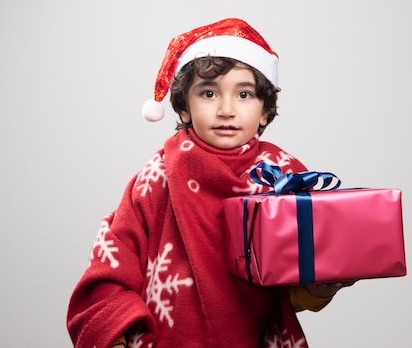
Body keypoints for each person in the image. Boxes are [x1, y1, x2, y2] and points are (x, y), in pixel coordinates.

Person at [67, 18, 354, 348]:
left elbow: (288, 294)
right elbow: (110, 268)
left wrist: (320, 286)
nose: (227, 109)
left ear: (264, 110)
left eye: (244, 94)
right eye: (208, 93)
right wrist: (116, 339)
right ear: (185, 108)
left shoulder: (285, 180)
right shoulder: (155, 179)